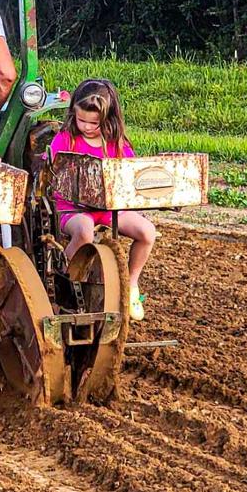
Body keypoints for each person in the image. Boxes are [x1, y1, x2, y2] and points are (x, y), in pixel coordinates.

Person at [46, 78, 156, 322]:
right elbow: (50, 171)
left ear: (107, 119)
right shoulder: (66, 140)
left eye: (93, 123)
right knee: (84, 231)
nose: (85, 126)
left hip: (107, 208)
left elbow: (128, 175)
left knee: (147, 232)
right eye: (81, 119)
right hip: (73, 208)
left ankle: (131, 286)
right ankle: (65, 275)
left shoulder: (116, 144)